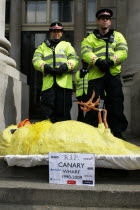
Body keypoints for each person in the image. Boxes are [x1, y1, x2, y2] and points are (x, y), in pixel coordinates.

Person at [81, 8, 128, 139]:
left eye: (107, 19)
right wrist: (98, 62)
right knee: (94, 104)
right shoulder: (89, 38)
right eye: (102, 19)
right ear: (98, 21)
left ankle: (117, 131)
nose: (105, 21)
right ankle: (91, 131)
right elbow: (85, 52)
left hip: (113, 75)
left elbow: (123, 51)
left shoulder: (118, 36)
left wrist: (111, 61)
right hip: (96, 75)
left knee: (116, 103)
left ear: (110, 22)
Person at [32, 22, 79, 122]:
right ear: (50, 33)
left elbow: (74, 59)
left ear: (61, 33)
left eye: (58, 31)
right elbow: (36, 60)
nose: (56, 33)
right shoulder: (42, 46)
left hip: (64, 85)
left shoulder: (67, 46)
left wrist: (64, 67)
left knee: (64, 113)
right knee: (48, 113)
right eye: (54, 31)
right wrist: (46, 68)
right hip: (48, 86)